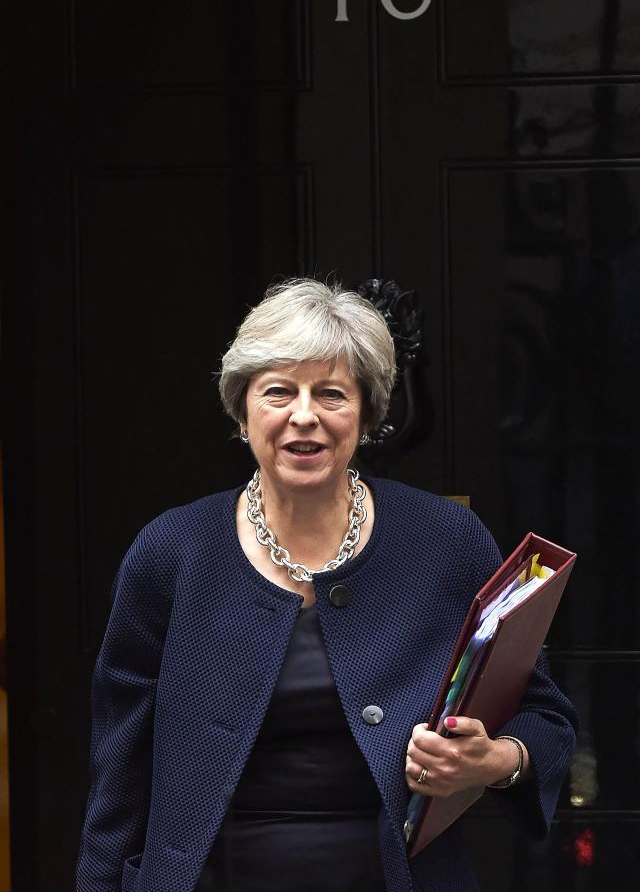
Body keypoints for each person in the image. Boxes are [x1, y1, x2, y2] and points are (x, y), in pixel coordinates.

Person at [76, 278, 577, 892]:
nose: (304, 415)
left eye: (332, 394)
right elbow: (118, 775)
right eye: (278, 392)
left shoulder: (447, 539)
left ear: (367, 413)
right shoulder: (170, 552)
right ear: (243, 411)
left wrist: (496, 760)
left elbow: (543, 716)